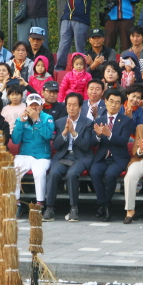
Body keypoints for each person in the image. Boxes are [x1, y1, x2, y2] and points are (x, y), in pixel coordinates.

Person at [43, 92, 94, 222]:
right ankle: (49, 208)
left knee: (72, 174)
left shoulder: (87, 123)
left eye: (74, 105)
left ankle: (73, 208)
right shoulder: (60, 122)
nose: (71, 108)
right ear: (65, 107)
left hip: (80, 157)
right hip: (63, 156)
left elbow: (86, 146)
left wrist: (74, 133)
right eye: (69, 105)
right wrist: (65, 132)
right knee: (53, 173)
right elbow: (57, 145)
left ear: (80, 107)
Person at [90, 89, 135, 222]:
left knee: (110, 175)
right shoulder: (100, 119)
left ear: (121, 105)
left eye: (117, 103)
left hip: (118, 158)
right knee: (95, 172)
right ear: (105, 102)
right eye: (111, 101)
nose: (113, 105)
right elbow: (92, 143)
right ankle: (103, 204)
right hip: (102, 157)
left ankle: (107, 206)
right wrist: (98, 135)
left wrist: (109, 134)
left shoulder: (126, 120)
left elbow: (123, 141)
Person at [12, 93, 54, 215]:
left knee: (39, 173)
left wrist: (37, 120)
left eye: (37, 105)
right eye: (31, 106)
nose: (34, 108)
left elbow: (48, 135)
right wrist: (20, 122)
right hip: (24, 155)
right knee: (14, 170)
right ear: (27, 106)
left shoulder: (48, 118)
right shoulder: (21, 119)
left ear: (41, 106)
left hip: (42, 156)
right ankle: (16, 203)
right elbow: (15, 140)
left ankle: (40, 203)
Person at [55, 0, 97, 70]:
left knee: (80, 46)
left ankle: (81, 69)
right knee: (63, 45)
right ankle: (59, 68)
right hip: (67, 17)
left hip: (81, 19)